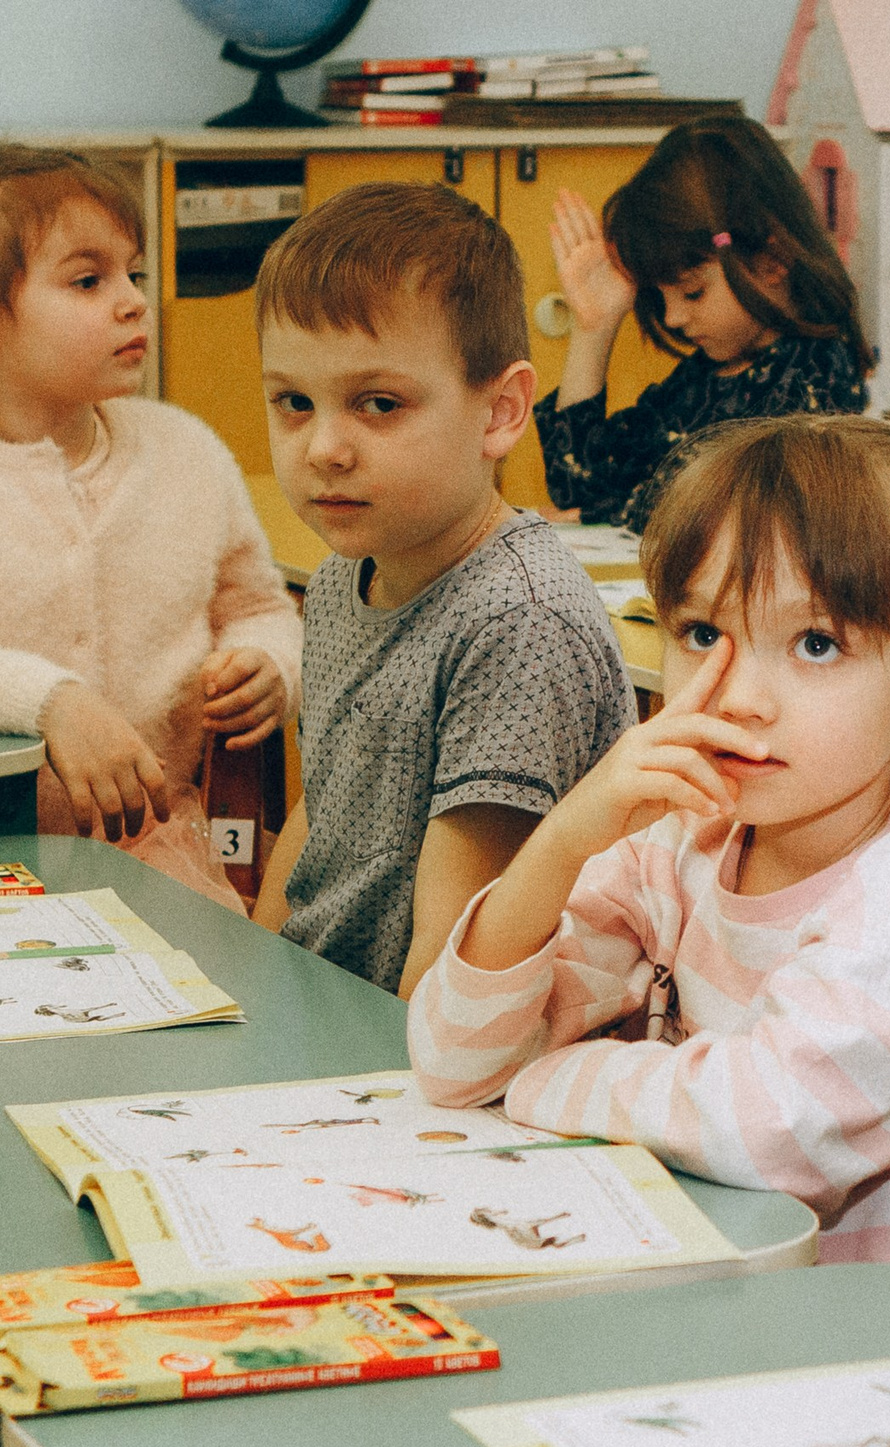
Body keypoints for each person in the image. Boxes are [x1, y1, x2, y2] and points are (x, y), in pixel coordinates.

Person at [411, 414, 890, 1270]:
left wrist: (547, 1079)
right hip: (685, 1267)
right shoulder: (695, 818)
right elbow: (454, 1060)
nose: (738, 697)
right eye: (703, 634)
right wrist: (565, 838)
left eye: (816, 644)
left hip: (850, 1325)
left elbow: (770, 1129)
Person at [0, 143, 299, 913]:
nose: (133, 302)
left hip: (166, 856)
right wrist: (52, 703)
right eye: (88, 280)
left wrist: (269, 662)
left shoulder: (185, 449)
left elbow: (261, 607)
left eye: (133, 274)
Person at [249, 180, 633, 995]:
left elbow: (452, 957)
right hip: (328, 1010)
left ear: (500, 411)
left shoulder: (518, 620)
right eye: (293, 402)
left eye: (378, 403)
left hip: (421, 1040)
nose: (324, 448)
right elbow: (319, 818)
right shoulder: (341, 577)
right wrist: (251, 983)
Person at [535, 113, 870, 531]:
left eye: (693, 292)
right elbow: (578, 484)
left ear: (773, 260)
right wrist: (594, 328)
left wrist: (614, 512)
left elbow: (740, 516)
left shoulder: (817, 377)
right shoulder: (704, 377)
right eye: (661, 295)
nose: (673, 317)